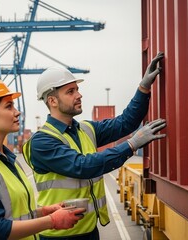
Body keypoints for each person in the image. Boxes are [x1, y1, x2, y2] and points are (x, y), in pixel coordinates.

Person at [22, 52, 167, 239]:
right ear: (52, 101)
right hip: (58, 235)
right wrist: (131, 145)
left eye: (77, 89)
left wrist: (143, 88)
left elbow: (125, 123)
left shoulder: (86, 129)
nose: (79, 95)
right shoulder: (41, 142)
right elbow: (83, 166)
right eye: (70, 91)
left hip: (90, 231)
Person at [0, 76, 86, 240]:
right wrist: (51, 221)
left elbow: (13, 212)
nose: (17, 112)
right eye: (9, 106)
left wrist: (42, 212)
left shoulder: (8, 160)